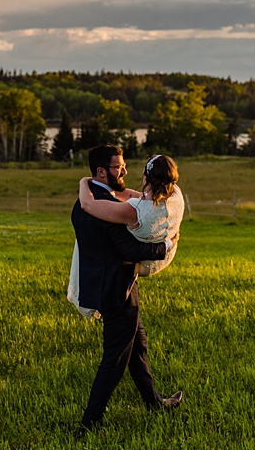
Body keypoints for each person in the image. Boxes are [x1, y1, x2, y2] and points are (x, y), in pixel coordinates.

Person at [72, 145, 183, 435]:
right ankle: (89, 424)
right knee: (115, 359)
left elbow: (133, 199)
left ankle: (154, 401)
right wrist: (168, 244)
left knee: (137, 347)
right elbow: (132, 247)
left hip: (112, 285)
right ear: (101, 171)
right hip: (116, 291)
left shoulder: (92, 197)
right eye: (118, 167)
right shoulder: (103, 207)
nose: (124, 171)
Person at [77, 153, 183, 277]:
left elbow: (87, 204)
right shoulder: (176, 194)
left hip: (143, 265)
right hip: (165, 258)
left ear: (145, 178)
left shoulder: (134, 211)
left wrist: (83, 181)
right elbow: (139, 196)